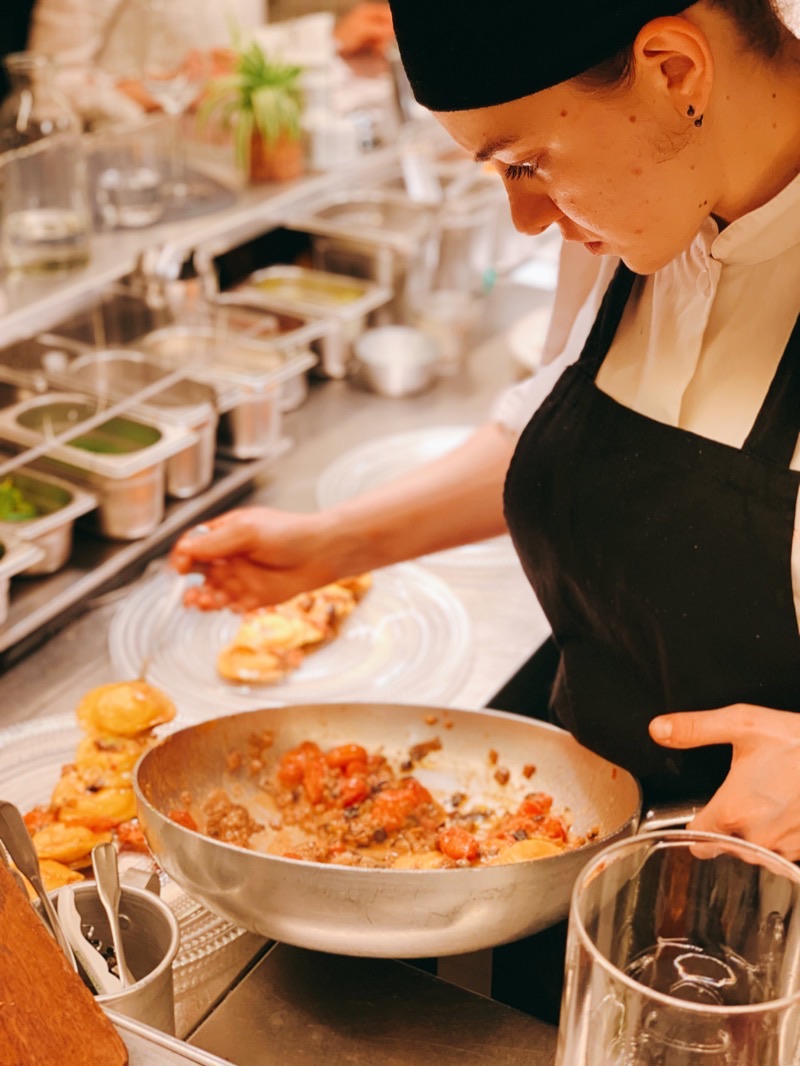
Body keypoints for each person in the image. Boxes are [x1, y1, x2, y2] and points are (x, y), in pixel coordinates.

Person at [174, 0, 800, 859]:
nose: (528, 221)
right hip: (590, 855)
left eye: (528, 163)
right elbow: (568, 422)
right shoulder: (651, 213)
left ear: (675, 71)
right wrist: (332, 546)